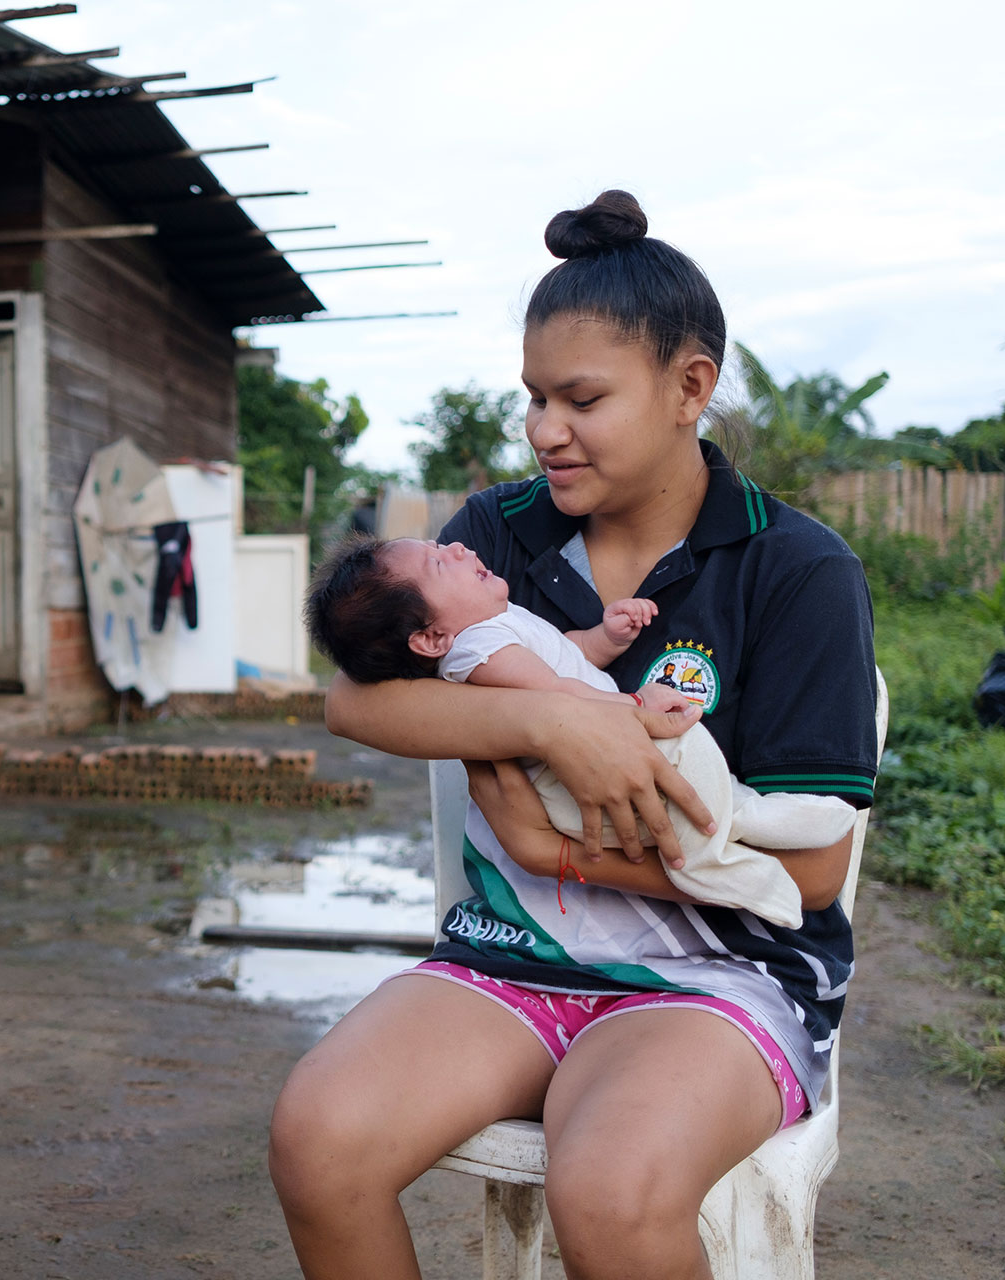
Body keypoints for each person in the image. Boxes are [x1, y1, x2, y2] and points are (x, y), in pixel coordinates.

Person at [267, 190, 878, 1280]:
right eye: (535, 397)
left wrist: (566, 853)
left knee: (612, 1188)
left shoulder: (796, 569)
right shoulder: (498, 532)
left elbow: (817, 868)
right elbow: (359, 700)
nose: (546, 427)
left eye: (582, 398)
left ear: (691, 386)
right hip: (511, 958)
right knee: (321, 1139)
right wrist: (557, 714)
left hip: (722, 978)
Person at [300, 534, 859, 928]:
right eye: (440, 563)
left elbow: (562, 657)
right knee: (681, 784)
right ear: (427, 639)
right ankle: (723, 866)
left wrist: (602, 638)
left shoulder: (490, 624)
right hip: (577, 790)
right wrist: (635, 702)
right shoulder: (477, 647)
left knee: (695, 785)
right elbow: (557, 695)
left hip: (592, 773)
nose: (458, 546)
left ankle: (746, 819)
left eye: (442, 545)